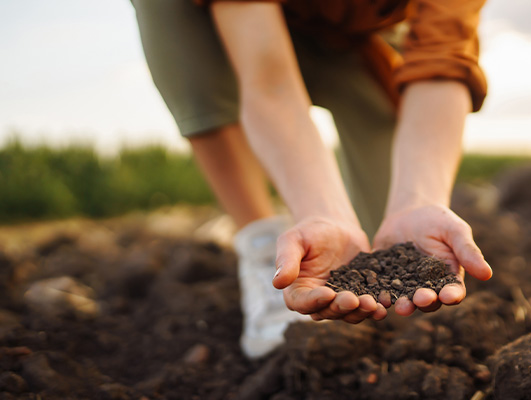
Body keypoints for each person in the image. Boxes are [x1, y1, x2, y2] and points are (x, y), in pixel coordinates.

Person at [131, 0, 492, 358]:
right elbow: (269, 80)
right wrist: (319, 212)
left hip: (351, 34)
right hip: (236, 35)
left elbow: (441, 63)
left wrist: (419, 199)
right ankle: (262, 247)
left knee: (387, 212)